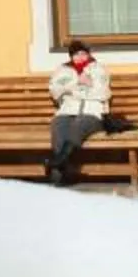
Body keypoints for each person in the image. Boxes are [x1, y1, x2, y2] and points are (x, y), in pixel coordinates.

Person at [47, 39, 110, 187]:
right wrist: (76, 84)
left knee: (79, 125)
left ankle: (57, 165)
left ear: (88, 55)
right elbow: (55, 91)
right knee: (58, 124)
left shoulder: (99, 69)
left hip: (93, 112)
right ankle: (61, 170)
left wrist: (89, 85)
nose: (80, 57)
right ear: (71, 56)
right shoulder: (62, 70)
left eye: (83, 53)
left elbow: (104, 93)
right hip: (68, 109)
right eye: (76, 54)